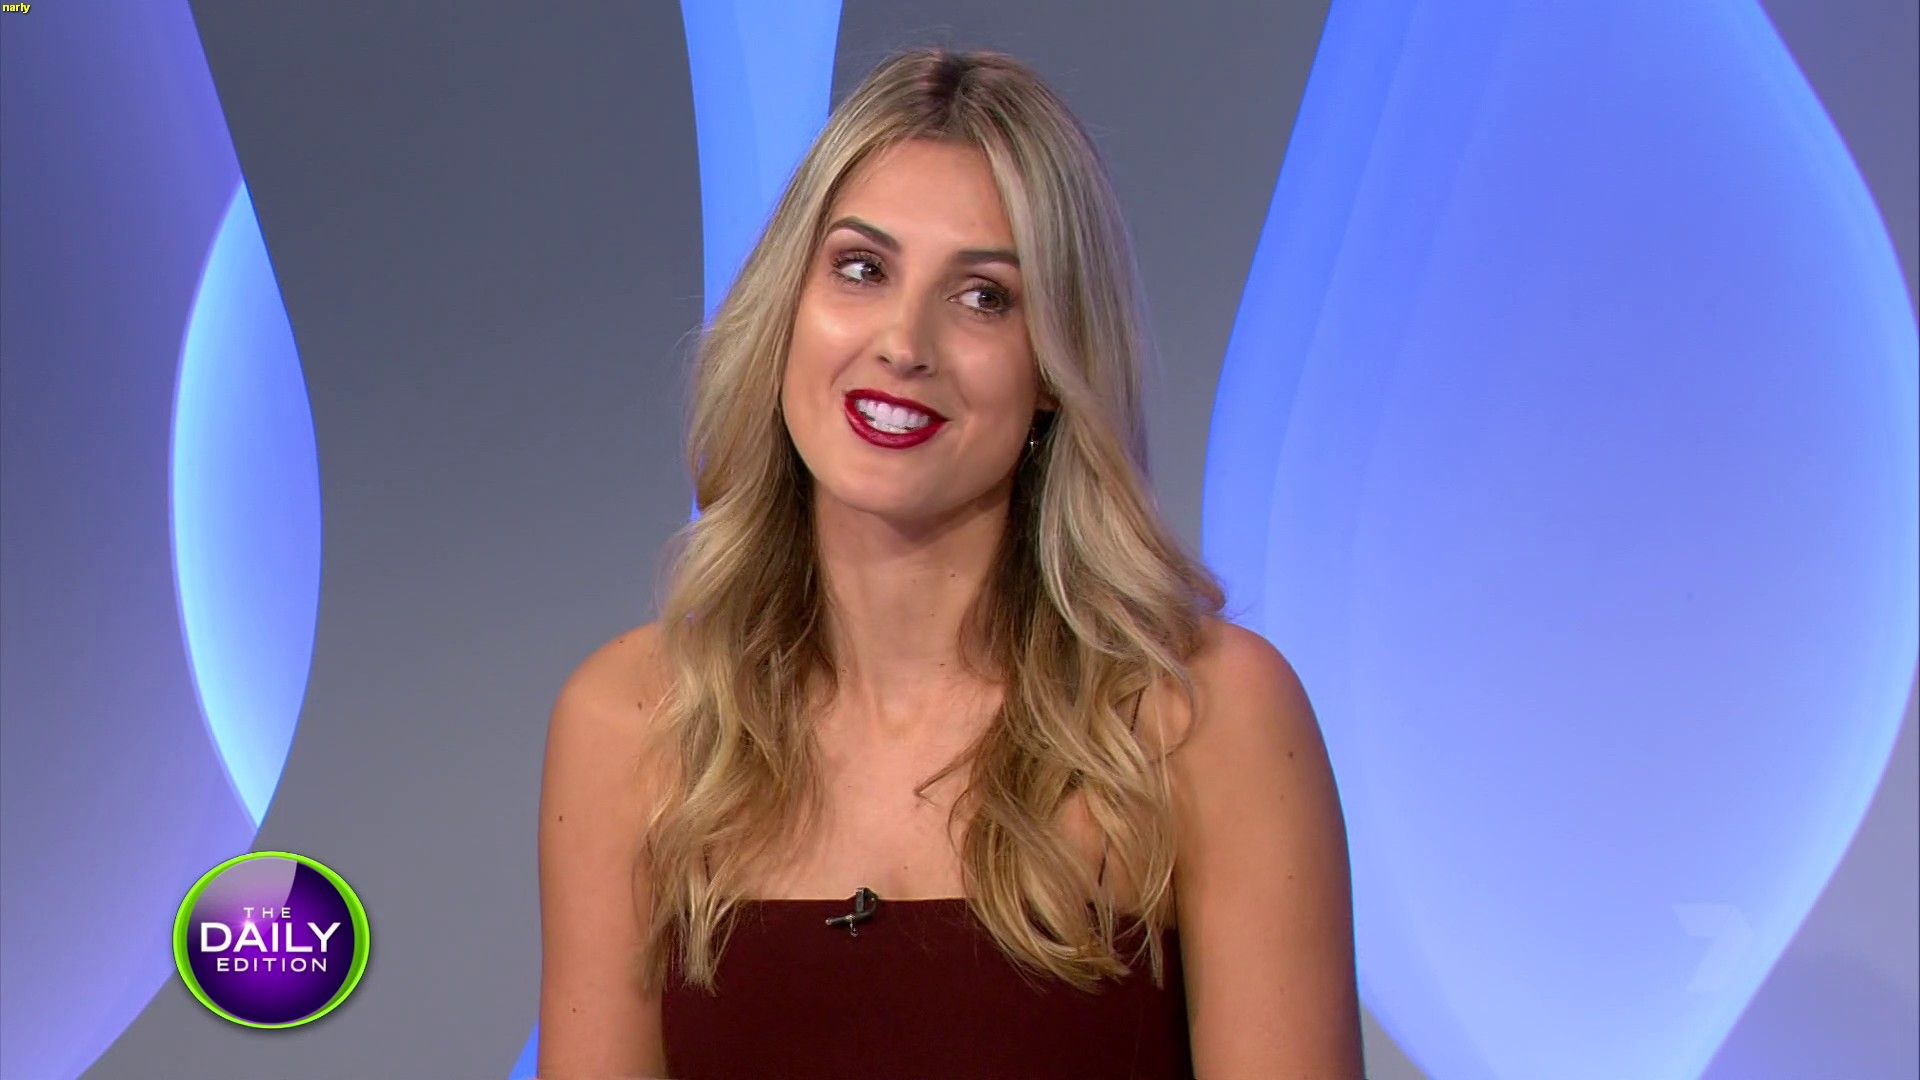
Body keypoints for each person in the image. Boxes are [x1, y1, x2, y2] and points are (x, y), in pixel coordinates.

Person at [536, 46, 1363, 1080]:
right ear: (786, 310)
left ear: (1055, 370)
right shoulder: (633, 725)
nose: (904, 343)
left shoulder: (1204, 719)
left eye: (984, 298)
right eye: (861, 269)